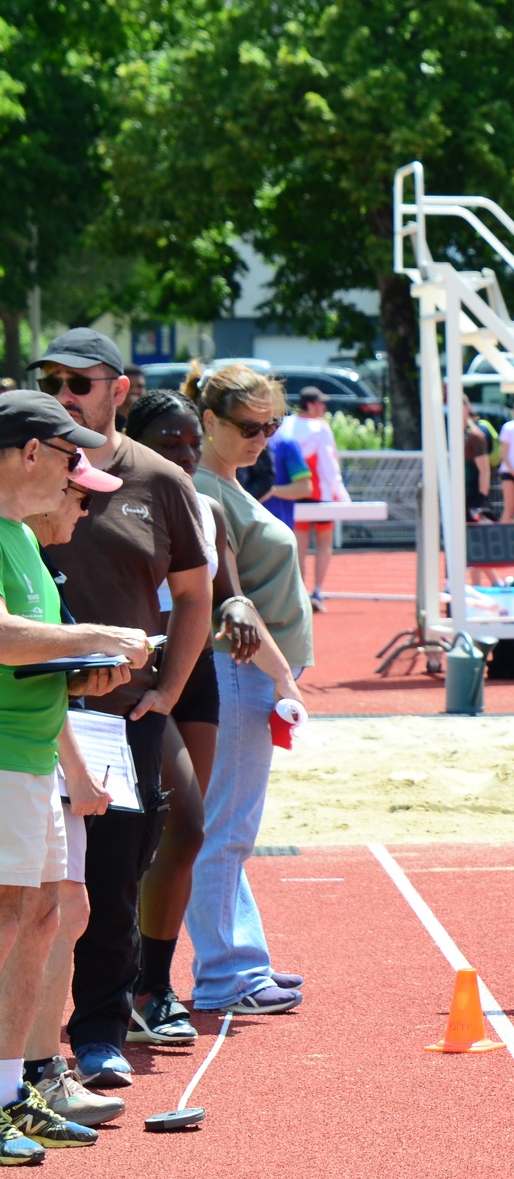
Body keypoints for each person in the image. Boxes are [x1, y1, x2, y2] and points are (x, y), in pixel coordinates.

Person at [35, 329, 214, 1091]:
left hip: (121, 716)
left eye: (79, 382)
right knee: (35, 889)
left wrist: (167, 691)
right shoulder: (28, 469)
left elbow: (196, 594)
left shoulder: (161, 479)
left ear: (119, 389)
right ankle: (29, 1050)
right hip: (30, 710)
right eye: (52, 380)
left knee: (113, 879)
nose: (64, 394)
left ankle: (101, 1030)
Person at [0, 391, 152, 1161]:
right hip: (5, 756)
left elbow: (29, 654)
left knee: (40, 917)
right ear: (31, 452)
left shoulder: (20, 538)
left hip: (29, 757)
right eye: (68, 457)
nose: (76, 475)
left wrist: (80, 668)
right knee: (11, 920)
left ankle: (14, 1091)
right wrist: (100, 635)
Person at [124, 389, 301, 1044]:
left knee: (185, 829)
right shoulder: (105, 501)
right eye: (168, 443)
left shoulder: (206, 507)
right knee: (148, 832)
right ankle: (133, 982)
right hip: (134, 678)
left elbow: (228, 594)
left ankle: (153, 984)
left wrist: (237, 611)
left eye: (189, 444)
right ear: (134, 441)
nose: (183, 455)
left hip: (194, 678)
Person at [187, 362, 314, 1015]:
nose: (262, 438)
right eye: (248, 426)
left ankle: (240, 960)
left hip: (247, 672)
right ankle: (223, 974)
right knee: (225, 827)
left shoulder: (229, 485)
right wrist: (283, 673)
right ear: (209, 420)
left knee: (229, 825)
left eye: (272, 426)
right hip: (239, 670)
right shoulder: (205, 490)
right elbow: (228, 603)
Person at [22, 450, 140, 1129]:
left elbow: (41, 673)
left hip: (40, 752)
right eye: (79, 495)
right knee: (38, 916)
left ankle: (38, 1073)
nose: (86, 510)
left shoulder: (34, 556)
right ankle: (29, 1076)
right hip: (22, 758)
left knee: (62, 912)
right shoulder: (15, 548)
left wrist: (79, 678)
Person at [277, 386, 346, 609]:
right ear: (310, 404)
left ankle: (299, 592)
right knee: (324, 543)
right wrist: (341, 495)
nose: (324, 407)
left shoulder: (286, 425)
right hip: (320, 494)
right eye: (320, 403)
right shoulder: (320, 428)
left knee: (299, 546)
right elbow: (329, 464)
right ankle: (317, 591)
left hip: (295, 492)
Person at [461, 397, 496, 522]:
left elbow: (484, 469)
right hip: (455, 496)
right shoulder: (449, 434)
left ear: (467, 408)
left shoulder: (474, 436)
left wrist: (481, 500)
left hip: (472, 497)